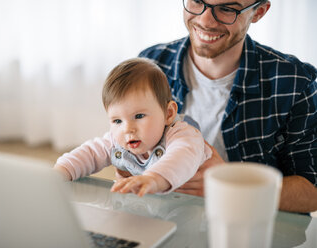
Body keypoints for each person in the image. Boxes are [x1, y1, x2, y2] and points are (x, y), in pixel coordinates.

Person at [132, 0, 317, 213]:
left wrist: (229, 185)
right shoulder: (150, 64)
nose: (205, 20)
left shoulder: (295, 82)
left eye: (227, 9)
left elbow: (311, 191)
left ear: (258, 12)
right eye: (197, 1)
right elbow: (123, 146)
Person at [54, 58, 211, 197]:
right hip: (150, 205)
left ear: (168, 113)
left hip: (192, 209)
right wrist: (61, 171)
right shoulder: (116, 141)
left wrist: (153, 178)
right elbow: (90, 153)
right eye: (117, 121)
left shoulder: (183, 135)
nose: (128, 129)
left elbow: (181, 156)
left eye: (139, 116)